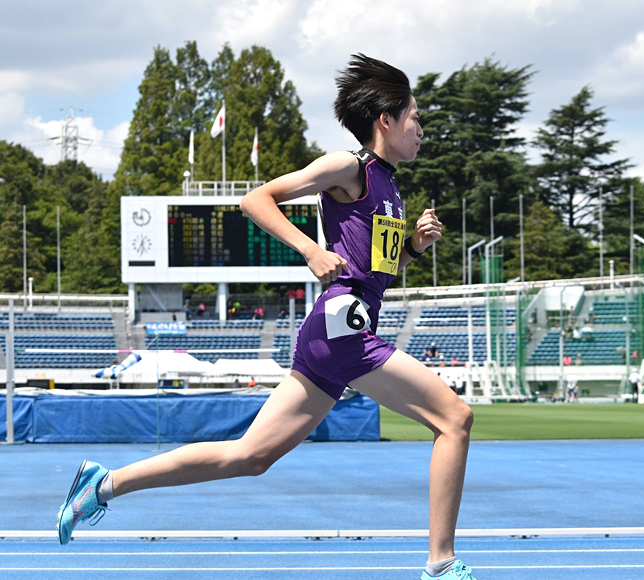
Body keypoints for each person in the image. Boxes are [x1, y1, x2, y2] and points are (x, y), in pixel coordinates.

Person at [55, 54, 477, 580]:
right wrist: (309, 249)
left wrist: (412, 247)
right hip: (343, 327)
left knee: (250, 456)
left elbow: (377, 273)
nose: (422, 129)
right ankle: (441, 564)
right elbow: (256, 200)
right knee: (454, 419)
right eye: (415, 117)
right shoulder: (348, 167)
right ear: (385, 121)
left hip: (338, 330)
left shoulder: (390, 188)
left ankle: (103, 485)